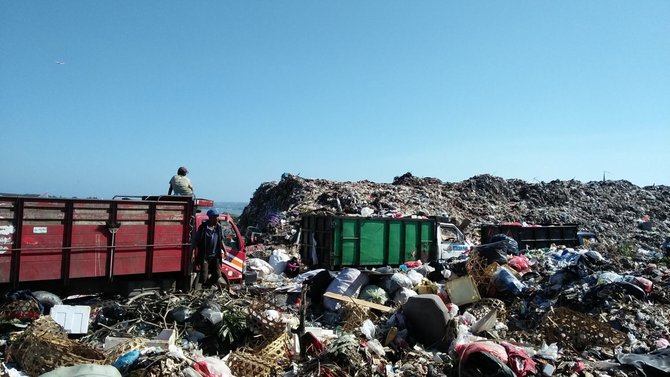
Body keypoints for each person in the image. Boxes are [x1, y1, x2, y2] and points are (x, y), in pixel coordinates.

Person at [193, 209, 225, 290]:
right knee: (203, 277)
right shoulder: (203, 228)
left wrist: (225, 251)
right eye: (215, 217)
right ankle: (204, 287)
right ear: (210, 217)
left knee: (217, 274)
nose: (216, 219)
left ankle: (206, 287)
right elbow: (196, 241)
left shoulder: (218, 228)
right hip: (205, 256)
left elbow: (221, 240)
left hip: (215, 256)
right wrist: (192, 253)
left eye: (217, 217)